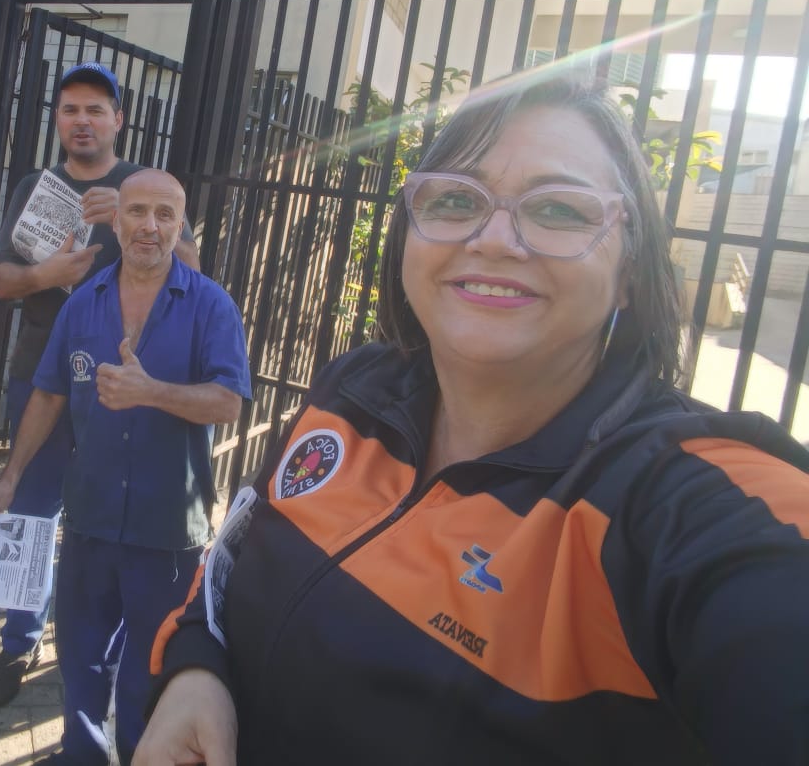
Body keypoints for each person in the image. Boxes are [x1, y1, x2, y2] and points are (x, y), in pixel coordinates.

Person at [136, 72, 809, 766]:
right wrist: (194, 667)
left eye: (559, 210)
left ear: (631, 273)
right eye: (457, 199)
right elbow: (234, 547)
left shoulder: (681, 505)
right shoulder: (355, 389)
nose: (494, 239)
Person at [0, 167, 250, 765]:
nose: (150, 226)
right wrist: (10, 477)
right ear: (115, 221)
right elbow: (49, 393)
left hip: (166, 531)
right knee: (80, 658)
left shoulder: (211, 306)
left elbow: (229, 402)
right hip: (90, 520)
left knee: (147, 671)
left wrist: (153, 392)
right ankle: (81, 754)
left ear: (180, 226)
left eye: (165, 215)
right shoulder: (82, 304)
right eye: (137, 211)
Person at [0, 62, 198, 708]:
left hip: (129, 380)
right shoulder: (35, 186)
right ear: (57, 119)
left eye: (95, 110)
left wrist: (129, 216)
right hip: (42, 373)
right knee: (29, 509)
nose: (82, 121)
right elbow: (0, 281)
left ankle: (109, 648)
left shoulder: (143, 186)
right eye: (70, 109)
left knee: (116, 516)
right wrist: (49, 274)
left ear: (117, 120)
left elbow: (195, 269)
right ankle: (19, 641)